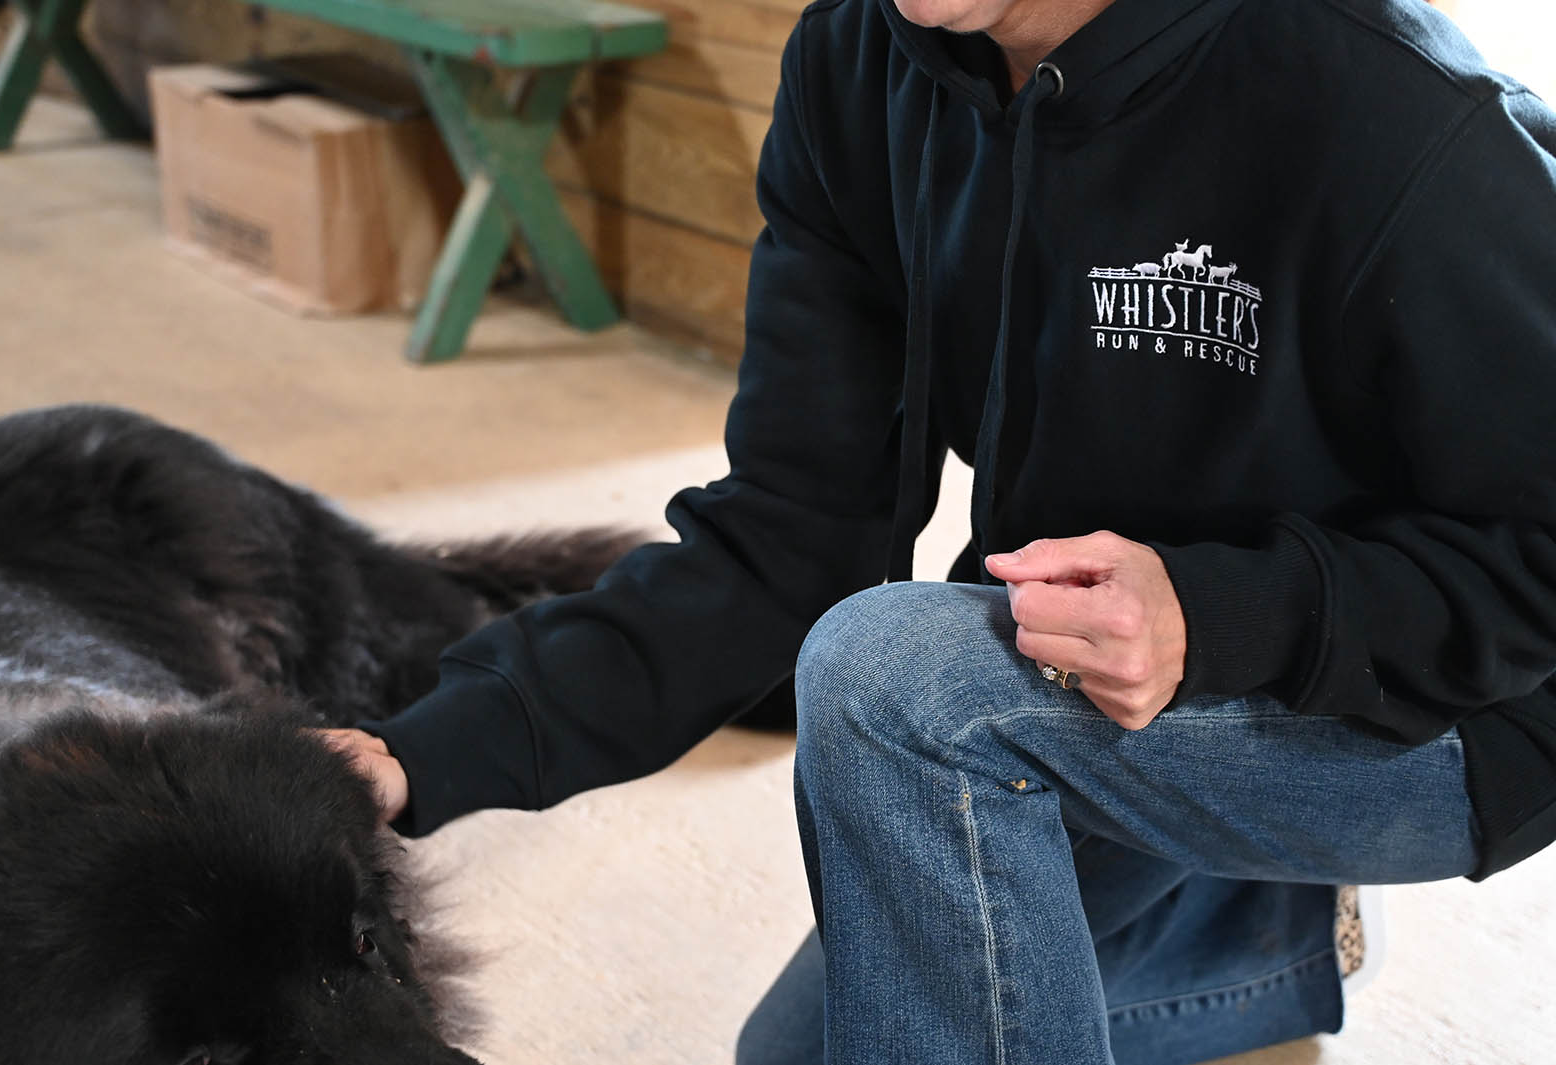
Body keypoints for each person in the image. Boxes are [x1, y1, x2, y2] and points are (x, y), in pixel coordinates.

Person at [326, 0, 1556, 1060]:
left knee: (897, 681)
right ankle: (1257, 933)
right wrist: (422, 753)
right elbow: (785, 534)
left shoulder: (1402, 113)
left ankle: (1241, 873)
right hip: (1101, 663)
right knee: (806, 1055)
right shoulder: (859, 65)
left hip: (1456, 703)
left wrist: (1235, 616)